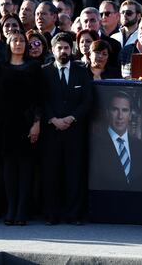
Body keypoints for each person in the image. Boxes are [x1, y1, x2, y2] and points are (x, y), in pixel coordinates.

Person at [0, 31, 42, 226]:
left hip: (27, 123)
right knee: (8, 167)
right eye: (14, 40)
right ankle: (10, 208)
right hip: (5, 124)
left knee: (26, 168)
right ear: (8, 44)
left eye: (21, 41)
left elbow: (39, 98)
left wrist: (37, 123)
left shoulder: (34, 68)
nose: (18, 44)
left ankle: (22, 210)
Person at [41, 32, 92, 225]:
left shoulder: (81, 70)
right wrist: (53, 119)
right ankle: (51, 214)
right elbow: (42, 100)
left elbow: (87, 100)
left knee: (74, 173)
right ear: (52, 50)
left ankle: (74, 214)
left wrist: (72, 118)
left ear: (72, 49)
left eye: (66, 48)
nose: (63, 51)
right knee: (51, 174)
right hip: (51, 130)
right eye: (59, 48)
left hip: (74, 130)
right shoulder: (45, 71)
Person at [89, 91, 142, 192]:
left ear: (130, 115)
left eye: (125, 110)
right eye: (115, 110)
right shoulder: (95, 145)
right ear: (107, 113)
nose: (120, 116)